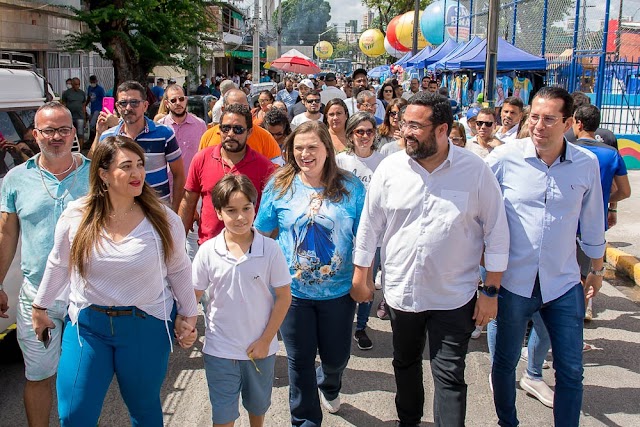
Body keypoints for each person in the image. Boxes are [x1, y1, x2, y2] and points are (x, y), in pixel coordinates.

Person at [353, 92, 509, 427]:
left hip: (454, 296)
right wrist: (361, 274)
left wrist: (491, 291)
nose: (404, 131)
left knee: (450, 374)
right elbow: (370, 224)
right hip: (402, 293)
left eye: (415, 125)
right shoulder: (390, 168)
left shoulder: (475, 172)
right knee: (405, 364)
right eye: (404, 122)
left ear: (441, 129)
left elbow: (497, 232)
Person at [31, 135, 198, 425]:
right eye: (126, 166)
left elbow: (179, 269)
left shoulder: (162, 219)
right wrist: (39, 307)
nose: (137, 173)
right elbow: (59, 263)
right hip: (87, 326)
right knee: (73, 414)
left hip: (145, 326)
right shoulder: (77, 215)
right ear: (103, 174)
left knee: (144, 411)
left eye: (140, 165)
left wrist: (188, 314)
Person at [486, 87, 606, 427]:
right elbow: (481, 215)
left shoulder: (586, 164)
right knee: (504, 365)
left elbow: (593, 221)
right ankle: (507, 422)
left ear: (568, 122)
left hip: (563, 284)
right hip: (512, 284)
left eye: (549, 119)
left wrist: (597, 268)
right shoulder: (503, 159)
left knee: (571, 369)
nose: (539, 125)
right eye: (534, 117)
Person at [254, 121, 366, 426]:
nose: (305, 153)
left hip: (339, 293)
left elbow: (367, 239)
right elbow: (262, 235)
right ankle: (305, 421)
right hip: (292, 294)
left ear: (327, 150)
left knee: (336, 358)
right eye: (299, 147)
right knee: (299, 361)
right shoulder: (278, 186)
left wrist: (364, 278)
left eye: (312, 147)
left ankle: (330, 383)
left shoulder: (352, 188)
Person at [0, 102, 91, 427]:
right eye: (49, 131)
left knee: (83, 379)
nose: (57, 137)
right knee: (38, 376)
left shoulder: (97, 175)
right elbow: (7, 234)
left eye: (63, 130)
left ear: (74, 133)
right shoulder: (15, 180)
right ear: (35, 134)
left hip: (87, 297)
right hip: (36, 298)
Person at [193, 174, 291, 427]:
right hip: (219, 350)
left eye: (246, 208)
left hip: (260, 351)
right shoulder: (207, 252)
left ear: (255, 208)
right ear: (218, 212)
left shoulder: (270, 249)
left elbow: (283, 297)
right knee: (223, 417)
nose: (240, 217)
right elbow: (192, 295)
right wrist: (185, 324)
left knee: (257, 409)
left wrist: (265, 340)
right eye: (231, 210)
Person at [180, 104, 276, 246]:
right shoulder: (202, 159)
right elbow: (188, 203)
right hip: (208, 248)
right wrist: (179, 242)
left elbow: (272, 214)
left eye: (237, 129)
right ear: (219, 130)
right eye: (226, 128)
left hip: (249, 251)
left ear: (249, 132)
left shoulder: (265, 167)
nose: (231, 134)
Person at [573, 104, 631, 321]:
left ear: (577, 122)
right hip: (594, 224)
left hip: (566, 221)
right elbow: (625, 191)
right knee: (585, 272)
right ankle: (584, 311)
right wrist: (605, 201)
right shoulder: (611, 154)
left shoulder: (567, 149)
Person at [336, 112, 385, 351]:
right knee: (346, 281)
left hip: (374, 235)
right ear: (351, 134)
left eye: (369, 131)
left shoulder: (383, 161)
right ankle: (343, 324)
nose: (365, 136)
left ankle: (362, 327)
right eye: (360, 131)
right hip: (345, 234)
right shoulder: (340, 161)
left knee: (367, 283)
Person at [98, 80, 185, 212]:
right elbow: (99, 175)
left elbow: (179, 174)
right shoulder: (108, 137)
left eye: (134, 102)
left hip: (158, 211)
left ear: (145, 106)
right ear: (117, 106)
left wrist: (174, 210)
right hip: (121, 212)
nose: (128, 108)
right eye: (123, 103)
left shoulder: (164, 134)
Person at [157, 84, 208, 259]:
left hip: (193, 192)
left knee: (193, 240)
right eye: (173, 100)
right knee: (165, 240)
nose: (178, 103)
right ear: (166, 103)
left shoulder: (200, 125)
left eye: (181, 98)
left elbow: (203, 159)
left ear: (186, 100)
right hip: (165, 192)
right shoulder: (160, 128)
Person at [199, 89, 284, 165]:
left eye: (244, 108)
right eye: (234, 108)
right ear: (223, 109)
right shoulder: (208, 137)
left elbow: (277, 174)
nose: (240, 113)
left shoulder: (265, 137)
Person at [61, 77, 87, 148]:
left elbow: (84, 106)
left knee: (80, 134)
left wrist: (84, 118)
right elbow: (63, 105)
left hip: (80, 117)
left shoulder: (82, 93)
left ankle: (80, 151)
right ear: (72, 84)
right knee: (69, 134)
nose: (77, 86)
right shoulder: (66, 93)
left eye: (79, 84)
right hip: (70, 117)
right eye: (76, 84)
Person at [85, 75, 106, 148]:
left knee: (92, 124)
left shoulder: (100, 89)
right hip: (92, 108)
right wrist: (85, 105)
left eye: (94, 82)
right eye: (91, 82)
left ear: (96, 81)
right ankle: (92, 139)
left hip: (98, 108)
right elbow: (88, 97)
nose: (92, 83)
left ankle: (92, 139)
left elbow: (104, 99)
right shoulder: (90, 88)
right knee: (92, 125)